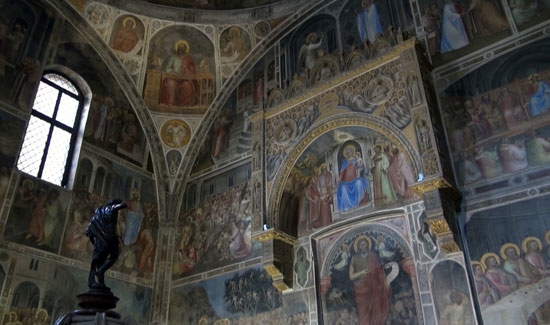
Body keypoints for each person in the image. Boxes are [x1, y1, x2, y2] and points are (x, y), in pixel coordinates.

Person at [349, 235, 391, 325]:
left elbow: (380, 271)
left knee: (377, 309)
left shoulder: (373, 256)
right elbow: (351, 276)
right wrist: (362, 272)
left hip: (374, 286)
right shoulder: (354, 258)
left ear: (368, 245)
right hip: (361, 288)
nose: (363, 246)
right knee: (363, 312)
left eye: (364, 244)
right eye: (361, 245)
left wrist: (383, 282)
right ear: (358, 247)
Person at [160, 40, 198, 107]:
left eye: (182, 48)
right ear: (177, 48)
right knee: (171, 83)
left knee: (187, 85)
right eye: (179, 48)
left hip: (184, 78)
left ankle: (185, 104)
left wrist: (188, 71)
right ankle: (171, 103)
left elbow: (193, 69)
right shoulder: (173, 57)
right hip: (173, 77)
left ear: (185, 49)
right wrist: (172, 72)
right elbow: (167, 68)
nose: (181, 49)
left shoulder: (188, 58)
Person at [337, 144, 370, 211]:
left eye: (350, 151)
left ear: (352, 152)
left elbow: (361, 168)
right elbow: (342, 173)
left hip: (355, 180)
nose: (349, 153)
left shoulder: (356, 159)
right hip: (345, 182)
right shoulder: (344, 162)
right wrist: (339, 181)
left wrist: (360, 166)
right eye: (347, 152)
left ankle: (359, 202)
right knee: (343, 188)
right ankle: (347, 206)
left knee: (359, 182)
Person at [305, 163, 334, 228]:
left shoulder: (328, 175)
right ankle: (322, 222)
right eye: (323, 168)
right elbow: (316, 186)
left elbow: (329, 186)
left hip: (325, 194)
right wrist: (320, 194)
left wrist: (328, 194)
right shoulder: (319, 177)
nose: (324, 170)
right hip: (321, 195)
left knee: (325, 205)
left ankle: (327, 222)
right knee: (322, 205)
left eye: (325, 168)